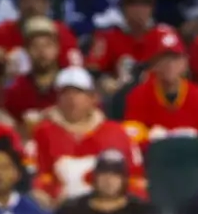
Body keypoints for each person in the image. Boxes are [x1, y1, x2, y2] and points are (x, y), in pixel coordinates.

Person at [29, 67, 143, 201]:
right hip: (62, 209)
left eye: (78, 92)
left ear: (93, 98)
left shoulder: (116, 132)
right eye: (65, 93)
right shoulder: (43, 133)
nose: (71, 99)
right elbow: (37, 178)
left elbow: (135, 177)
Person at [121, 32, 198, 145]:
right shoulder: (138, 96)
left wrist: (194, 139)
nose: (170, 65)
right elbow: (131, 136)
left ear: (185, 63)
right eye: (164, 59)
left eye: (175, 58)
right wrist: (150, 136)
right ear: (154, 64)